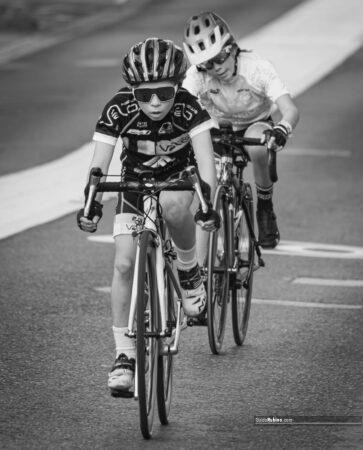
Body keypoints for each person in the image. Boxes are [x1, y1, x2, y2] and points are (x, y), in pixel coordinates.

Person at [76, 38, 219, 396]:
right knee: (124, 265)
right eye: (144, 95)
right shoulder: (117, 109)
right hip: (135, 187)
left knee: (173, 204)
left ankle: (188, 271)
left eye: (164, 93)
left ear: (177, 88)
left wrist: (206, 204)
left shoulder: (190, 108)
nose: (155, 103)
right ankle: (124, 357)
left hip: (179, 180)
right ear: (132, 91)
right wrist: (90, 204)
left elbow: (206, 165)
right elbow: (98, 167)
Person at [182, 12, 300, 248]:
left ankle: (265, 207)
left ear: (232, 47)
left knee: (256, 143)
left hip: (254, 126)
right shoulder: (198, 76)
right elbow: (181, 105)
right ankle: (201, 270)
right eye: (207, 64)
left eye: (221, 57)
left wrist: (282, 130)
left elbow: (290, 110)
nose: (216, 67)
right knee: (206, 190)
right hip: (217, 129)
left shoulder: (257, 68)